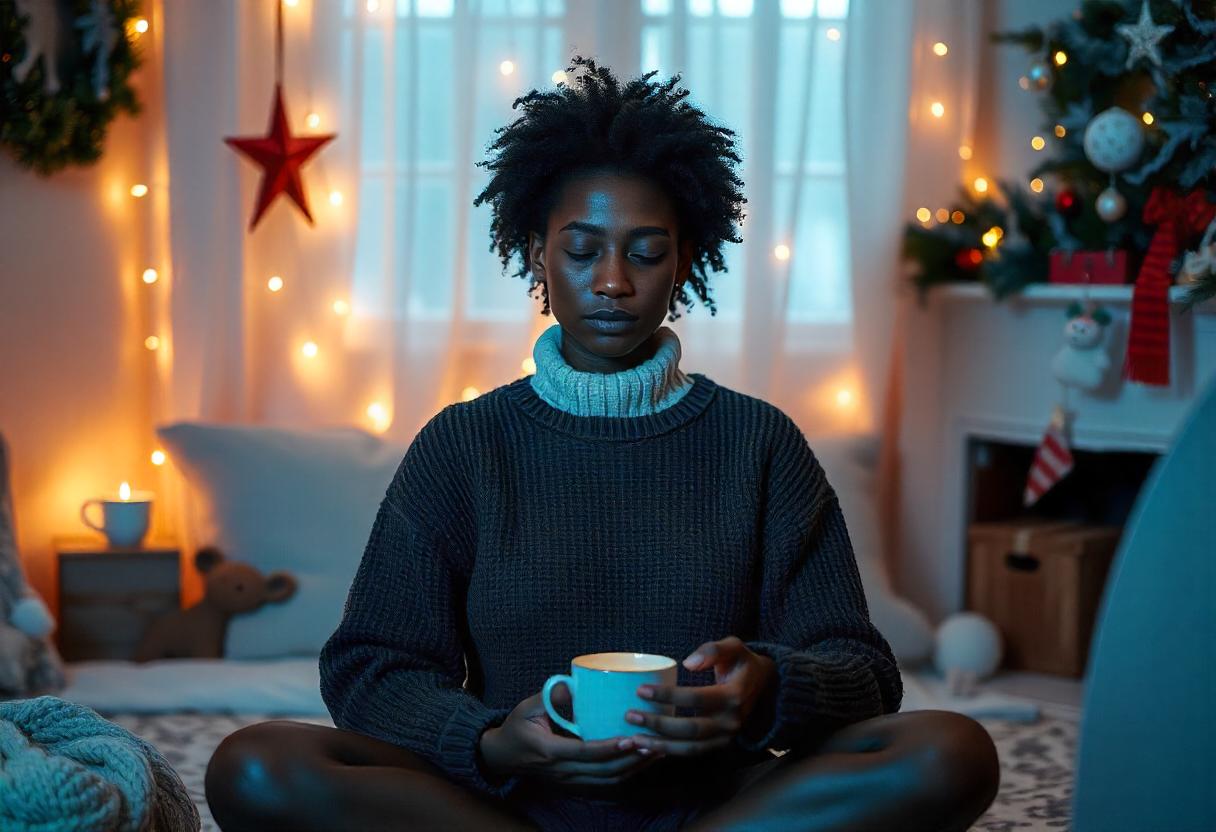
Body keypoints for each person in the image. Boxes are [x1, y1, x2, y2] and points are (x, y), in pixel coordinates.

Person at [205, 57, 1000, 831]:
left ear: (685, 263)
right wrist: (489, 741)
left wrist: (767, 685)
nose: (613, 280)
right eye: (581, 251)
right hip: (505, 807)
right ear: (535, 259)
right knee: (253, 765)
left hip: (722, 807)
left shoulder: (759, 444)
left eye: (647, 252)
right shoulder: (464, 445)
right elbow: (370, 667)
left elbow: (864, 670)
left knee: (951, 752)